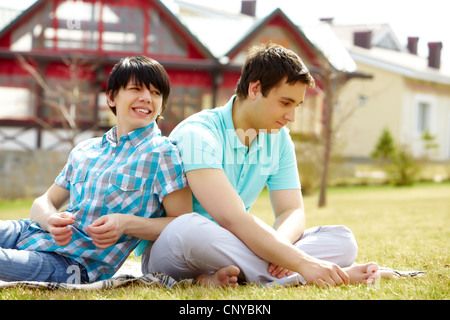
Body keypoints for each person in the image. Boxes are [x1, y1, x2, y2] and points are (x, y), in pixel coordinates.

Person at [142, 42, 379, 287]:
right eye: (285, 103)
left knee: (342, 239)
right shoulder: (198, 133)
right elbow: (231, 218)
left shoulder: (279, 138)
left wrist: (283, 251)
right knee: (189, 229)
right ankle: (308, 276)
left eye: (296, 106)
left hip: (236, 246)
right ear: (255, 89)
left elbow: (291, 211)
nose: (291, 117)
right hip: (179, 248)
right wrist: (302, 261)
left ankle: (221, 278)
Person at [0, 55, 192, 283]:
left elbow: (182, 223)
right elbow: (44, 201)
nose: (146, 98)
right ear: (111, 97)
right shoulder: (86, 149)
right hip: (26, 231)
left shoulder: (163, 153)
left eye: (156, 93)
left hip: (71, 263)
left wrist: (125, 223)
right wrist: (49, 219)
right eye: (136, 89)